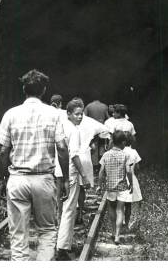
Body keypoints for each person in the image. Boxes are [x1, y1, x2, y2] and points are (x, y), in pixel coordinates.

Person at [0, 69, 70, 261]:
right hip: (43, 180)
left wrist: (1, 178)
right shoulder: (53, 114)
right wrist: (67, 180)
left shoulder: (10, 114)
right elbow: (62, 148)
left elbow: (3, 152)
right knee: (46, 231)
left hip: (18, 180)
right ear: (44, 90)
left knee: (19, 235)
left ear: (23, 89)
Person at [55, 99, 94, 260]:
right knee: (69, 210)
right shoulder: (75, 131)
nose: (80, 117)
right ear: (69, 113)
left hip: (57, 172)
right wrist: (84, 175)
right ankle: (63, 247)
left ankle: (57, 243)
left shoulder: (61, 126)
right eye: (77, 114)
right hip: (70, 174)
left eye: (82, 114)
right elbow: (74, 155)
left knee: (59, 209)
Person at [98, 131, 131, 245]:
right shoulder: (125, 155)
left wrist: (99, 184)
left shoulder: (106, 155)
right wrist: (130, 183)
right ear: (123, 142)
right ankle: (117, 235)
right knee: (120, 210)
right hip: (122, 187)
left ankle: (112, 232)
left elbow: (101, 172)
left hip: (110, 187)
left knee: (111, 209)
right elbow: (128, 171)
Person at [121, 132, 143, 229]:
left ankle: (119, 222)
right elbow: (137, 167)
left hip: (120, 178)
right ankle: (126, 224)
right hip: (131, 178)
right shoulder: (134, 152)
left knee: (120, 203)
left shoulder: (119, 151)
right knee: (128, 203)